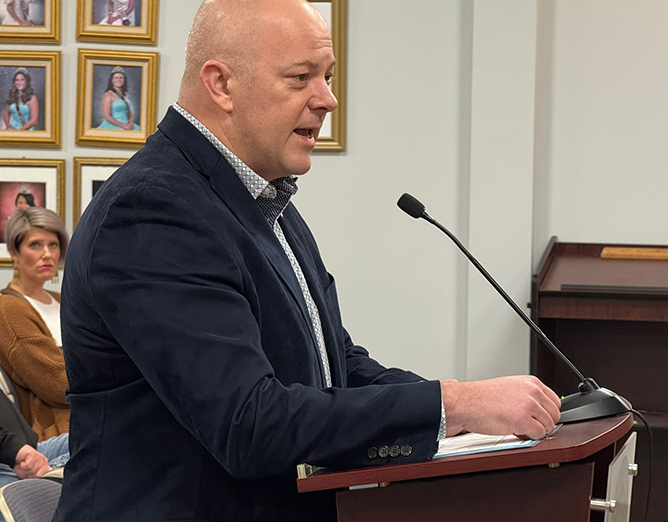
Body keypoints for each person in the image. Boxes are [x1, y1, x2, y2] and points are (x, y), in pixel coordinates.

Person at [55, 1, 561, 521]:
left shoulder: (264, 200)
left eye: (328, 77)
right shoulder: (152, 211)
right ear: (221, 85)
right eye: (301, 78)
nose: (328, 99)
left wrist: (467, 411)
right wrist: (449, 404)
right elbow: (248, 423)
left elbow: (335, 365)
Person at [0, 208, 70, 442]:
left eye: (53, 245)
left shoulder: (62, 299)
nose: (47, 254)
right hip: (57, 432)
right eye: (35, 245)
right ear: (14, 252)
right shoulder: (8, 308)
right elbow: (58, 384)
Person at [0, 392, 69, 489]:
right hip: (10, 459)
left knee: (88, 441)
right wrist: (12, 448)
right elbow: (58, 391)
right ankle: (51, 474)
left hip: (27, 447)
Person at [96, 66, 139, 131]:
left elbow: (129, 112)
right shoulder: (108, 95)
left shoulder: (125, 94)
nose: (119, 80)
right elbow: (106, 116)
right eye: (116, 78)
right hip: (114, 125)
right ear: (112, 80)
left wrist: (131, 123)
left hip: (127, 124)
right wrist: (123, 126)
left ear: (124, 80)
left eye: (121, 78)